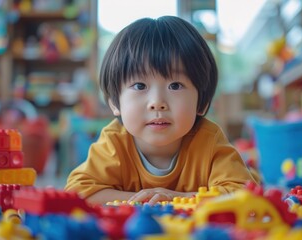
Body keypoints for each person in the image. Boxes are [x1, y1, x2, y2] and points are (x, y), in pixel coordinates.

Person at [65, 16, 258, 205]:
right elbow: (76, 193)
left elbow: (244, 194)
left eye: (175, 86)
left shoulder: (208, 140)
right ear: (115, 103)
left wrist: (174, 198)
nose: (157, 103)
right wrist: (147, 201)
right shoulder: (115, 142)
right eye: (140, 86)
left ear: (202, 103)